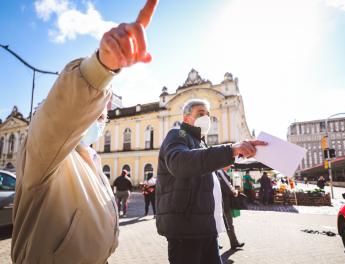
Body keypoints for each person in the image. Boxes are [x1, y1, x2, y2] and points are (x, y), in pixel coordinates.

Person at [10, 1, 158, 263]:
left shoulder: (91, 160)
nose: (97, 121)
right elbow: (61, 114)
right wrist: (101, 68)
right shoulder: (46, 153)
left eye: (102, 117)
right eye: (92, 114)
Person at [156, 99, 267, 264]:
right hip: (187, 229)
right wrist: (231, 149)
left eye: (208, 114)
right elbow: (180, 162)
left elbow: (200, 170)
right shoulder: (178, 134)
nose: (206, 118)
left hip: (206, 227)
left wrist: (228, 157)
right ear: (186, 119)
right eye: (200, 114)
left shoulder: (200, 143)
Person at [216, 169, 245, 251]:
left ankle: (232, 242)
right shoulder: (219, 170)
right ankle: (233, 242)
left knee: (220, 223)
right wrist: (234, 192)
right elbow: (227, 186)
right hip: (223, 202)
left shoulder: (215, 169)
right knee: (228, 223)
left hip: (217, 201)